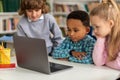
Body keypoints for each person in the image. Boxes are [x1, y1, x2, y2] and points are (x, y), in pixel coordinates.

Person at [90, 0, 120, 70]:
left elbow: (118, 64)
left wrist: (106, 62)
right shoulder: (105, 37)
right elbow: (98, 62)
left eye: (97, 27)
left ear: (110, 23)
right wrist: (100, 39)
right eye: (93, 27)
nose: (94, 31)